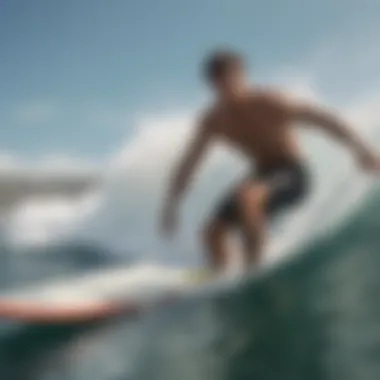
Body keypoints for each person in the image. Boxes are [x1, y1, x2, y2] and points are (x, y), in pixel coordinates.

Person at [160, 49, 380, 273]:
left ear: (242, 75)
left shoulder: (270, 102)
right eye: (218, 80)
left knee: (248, 197)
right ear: (212, 84)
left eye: (230, 77)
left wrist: (362, 150)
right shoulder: (213, 121)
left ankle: (253, 269)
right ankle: (220, 274)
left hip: (293, 174)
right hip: (261, 174)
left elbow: (324, 119)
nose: (225, 85)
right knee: (211, 233)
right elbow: (189, 163)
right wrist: (171, 204)